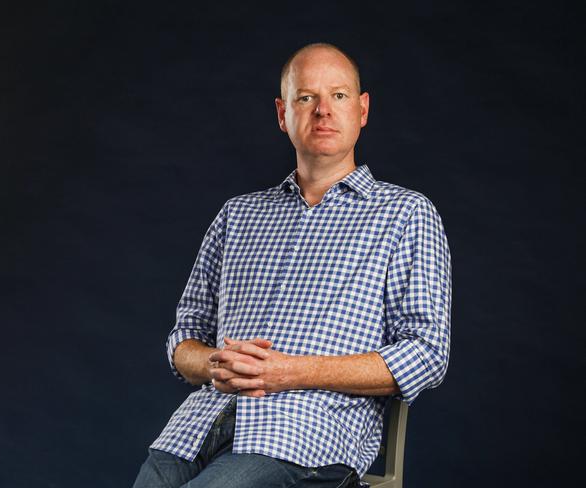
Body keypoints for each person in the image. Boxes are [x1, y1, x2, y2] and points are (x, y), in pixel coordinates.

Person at [132, 42, 452, 488]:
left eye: (338, 96)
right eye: (307, 97)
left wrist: (291, 372)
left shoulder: (405, 214)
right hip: (200, 425)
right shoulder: (238, 215)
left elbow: (427, 354)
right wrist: (215, 365)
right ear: (283, 114)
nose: (323, 110)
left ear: (362, 110)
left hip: (309, 438)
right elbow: (183, 340)